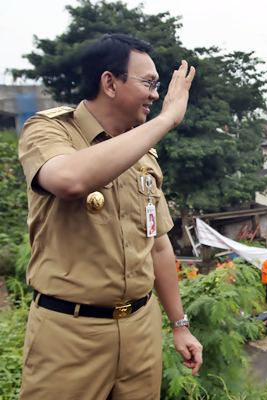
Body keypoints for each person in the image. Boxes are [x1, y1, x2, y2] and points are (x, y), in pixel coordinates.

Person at [17, 34, 202, 398]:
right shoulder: (50, 129)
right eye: (148, 83)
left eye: (157, 86)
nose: (154, 94)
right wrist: (166, 120)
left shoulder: (144, 156)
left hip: (140, 329)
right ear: (109, 82)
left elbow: (158, 246)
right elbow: (69, 180)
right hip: (69, 334)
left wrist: (179, 325)